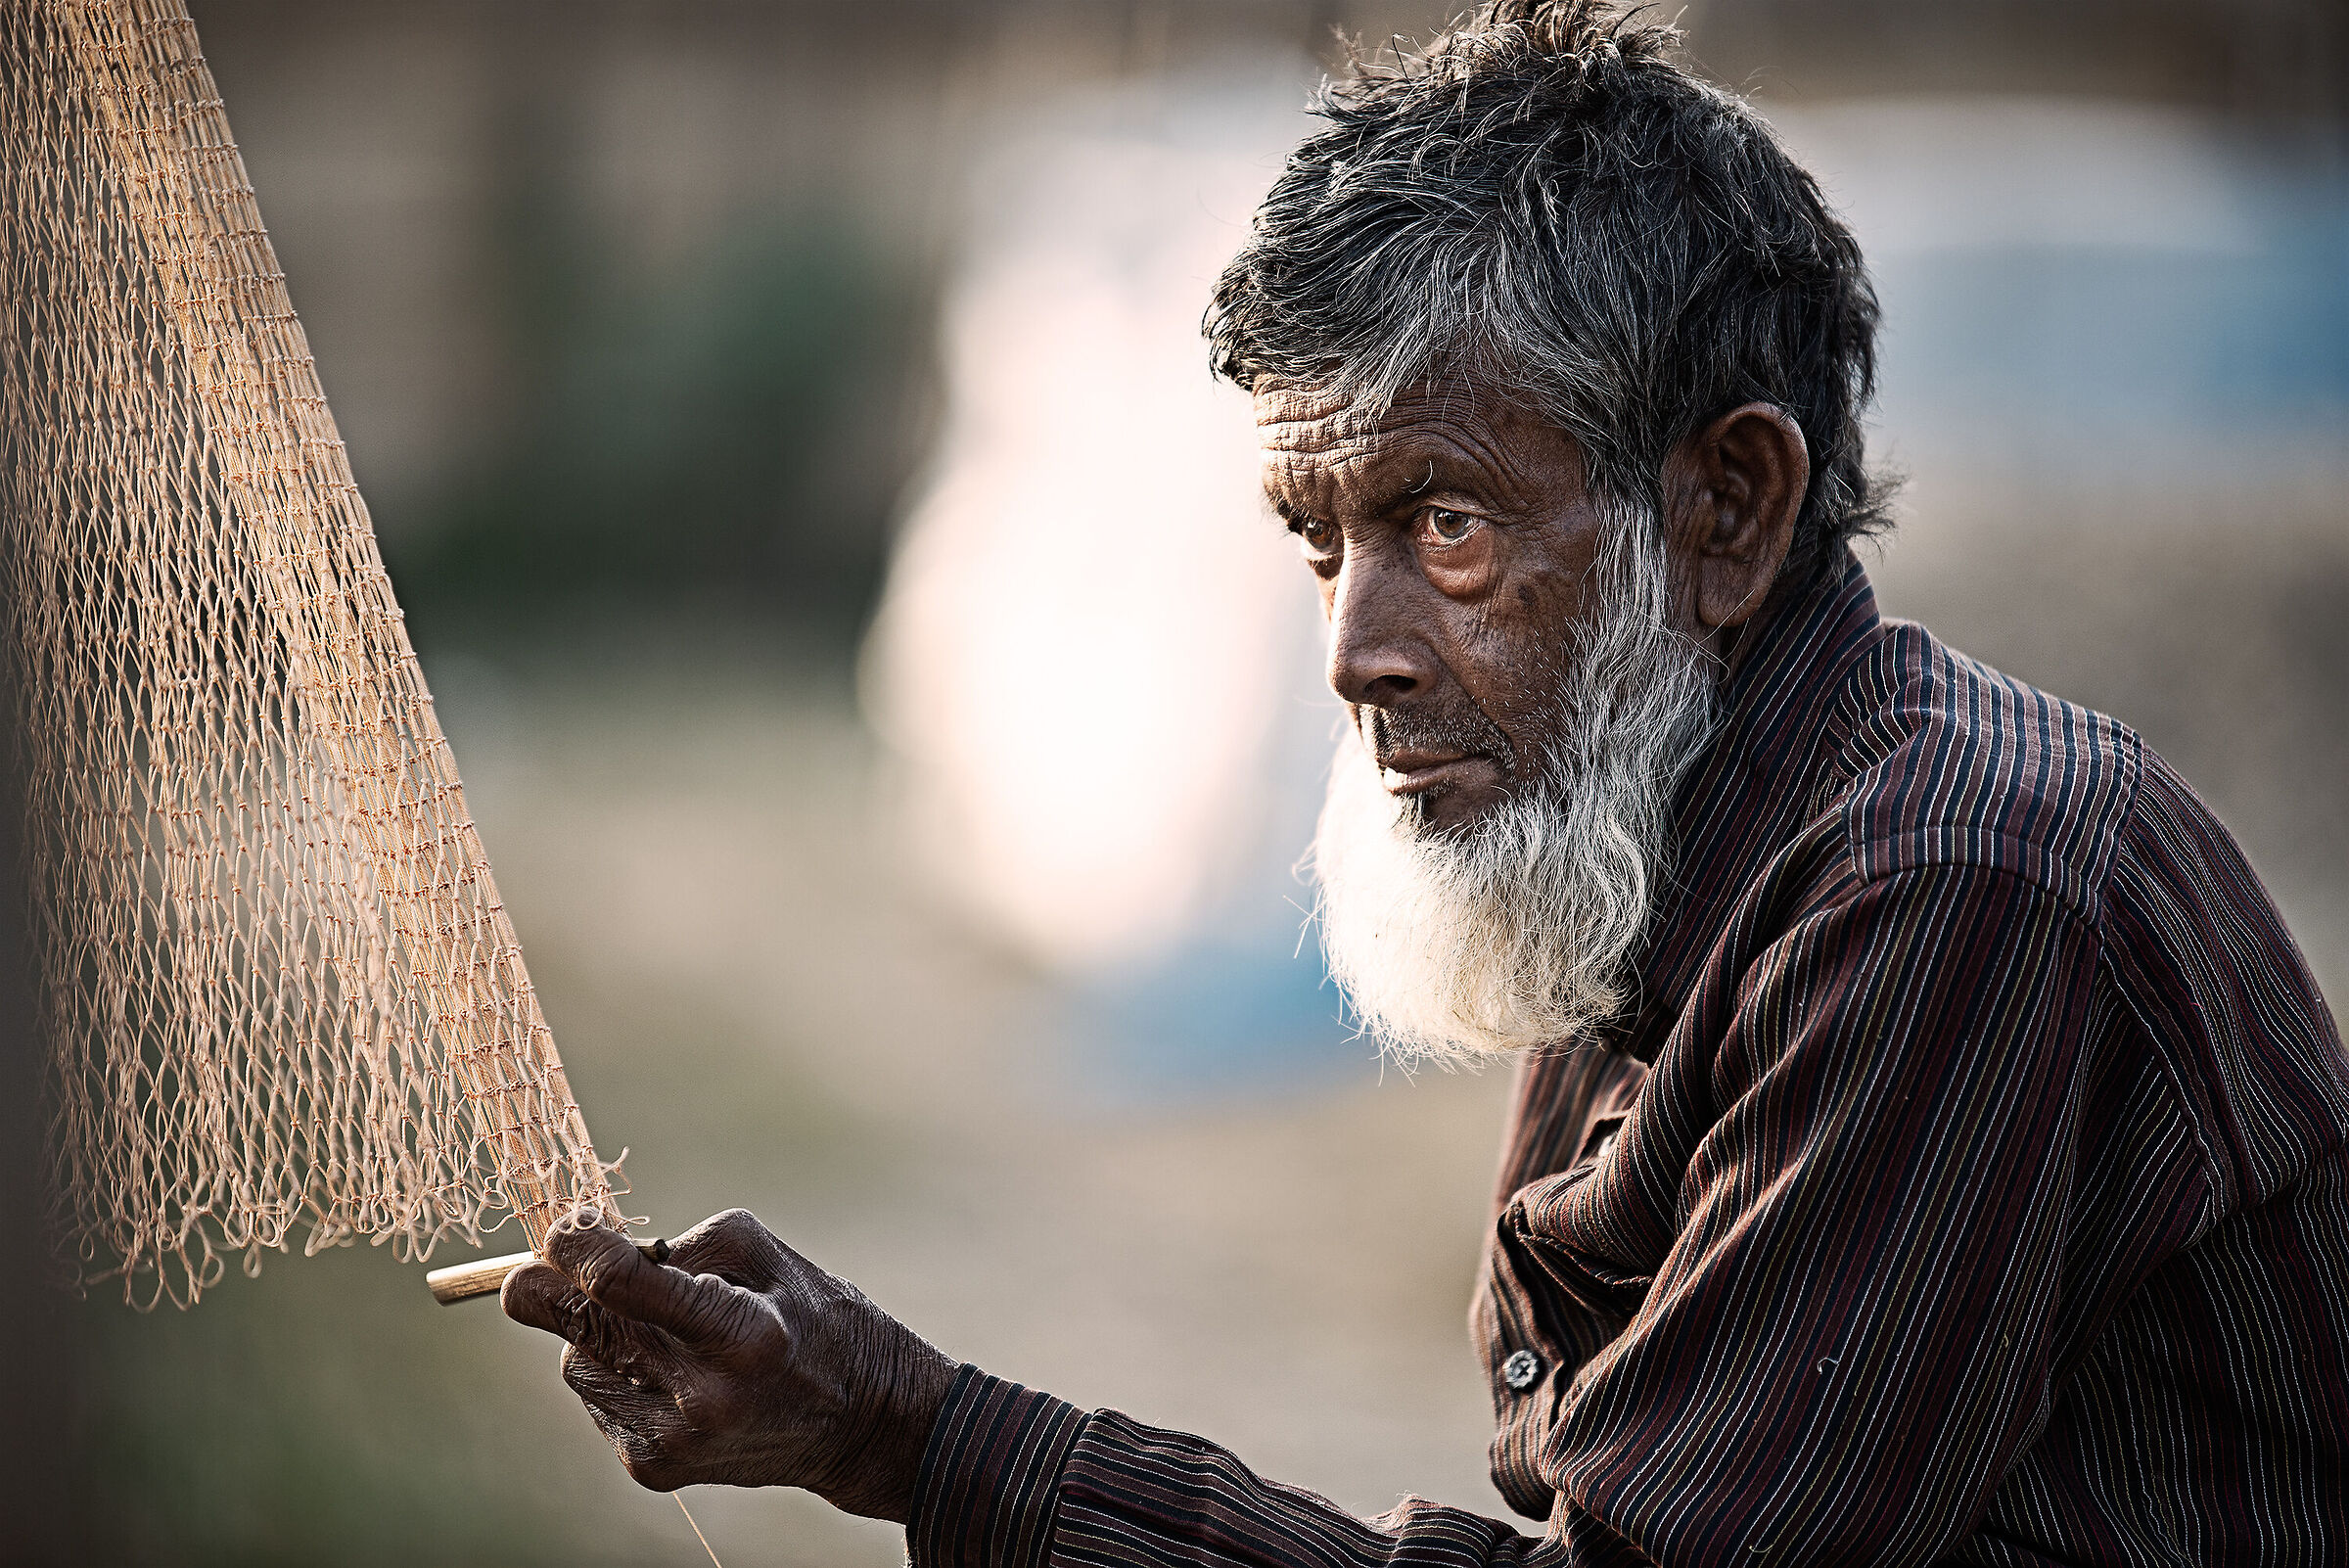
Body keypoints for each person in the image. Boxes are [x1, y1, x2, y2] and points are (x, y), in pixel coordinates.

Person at [502, 4, 2349, 1562]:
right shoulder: (1657, 831)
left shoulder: (1959, 883)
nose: (1354, 646)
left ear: (1727, 508)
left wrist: (913, 1438)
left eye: (1444, 523)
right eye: (1322, 541)